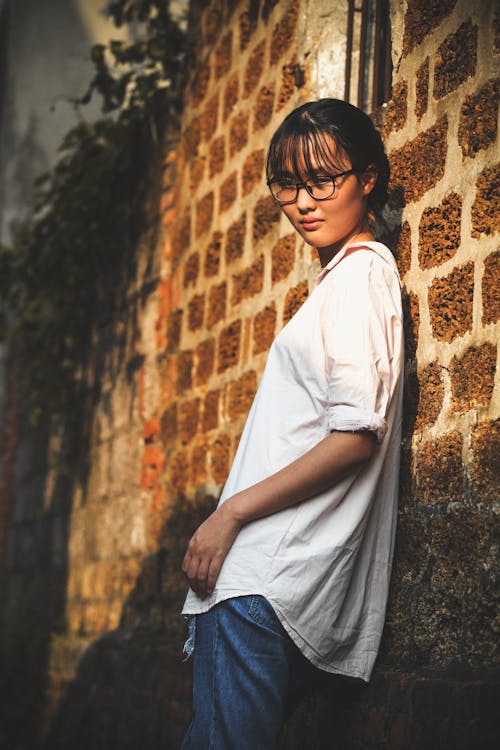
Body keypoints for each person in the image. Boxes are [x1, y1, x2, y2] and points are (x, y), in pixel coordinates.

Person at [180, 98, 404, 749]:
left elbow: (355, 436)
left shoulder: (361, 277)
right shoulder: (342, 282)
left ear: (368, 177)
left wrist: (229, 514)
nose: (304, 202)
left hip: (263, 588)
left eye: (323, 180)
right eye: (288, 184)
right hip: (266, 589)